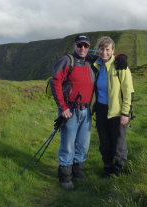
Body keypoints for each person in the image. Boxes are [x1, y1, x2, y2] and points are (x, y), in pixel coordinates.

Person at [50, 34, 128, 190]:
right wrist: (63, 107)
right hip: (70, 111)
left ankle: (78, 171)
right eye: (80, 45)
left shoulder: (91, 60)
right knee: (68, 144)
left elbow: (106, 54)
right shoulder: (67, 61)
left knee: (83, 144)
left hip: (86, 109)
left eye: (85, 45)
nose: (82, 48)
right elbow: (55, 82)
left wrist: (122, 56)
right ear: (74, 46)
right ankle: (65, 176)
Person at [91, 36, 134, 177]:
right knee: (104, 141)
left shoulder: (120, 65)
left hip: (117, 111)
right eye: (102, 49)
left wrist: (125, 113)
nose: (104, 53)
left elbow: (128, 91)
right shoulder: (96, 65)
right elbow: (82, 53)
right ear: (98, 50)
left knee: (118, 143)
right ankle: (108, 168)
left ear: (113, 50)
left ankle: (118, 171)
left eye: (107, 49)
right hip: (101, 109)